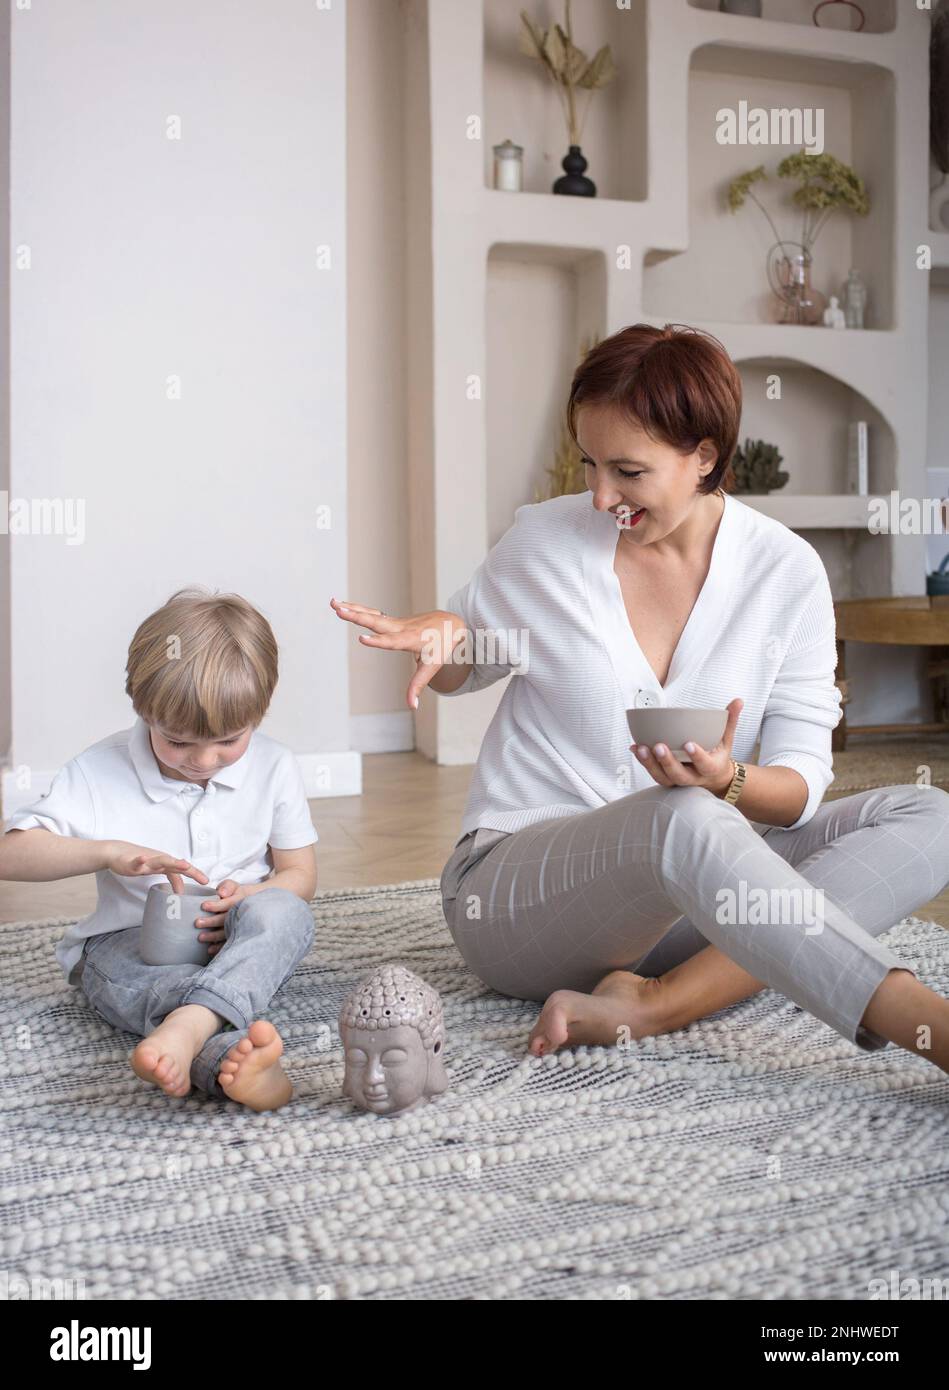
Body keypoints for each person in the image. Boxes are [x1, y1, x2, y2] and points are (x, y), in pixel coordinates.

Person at [332, 322, 949, 1076]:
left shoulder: (785, 573)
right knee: (679, 818)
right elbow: (470, 660)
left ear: (704, 459)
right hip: (519, 898)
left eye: (626, 471)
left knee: (929, 816)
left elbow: (796, 797)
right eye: (588, 463)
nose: (599, 497)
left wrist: (729, 782)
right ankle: (928, 1028)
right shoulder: (545, 543)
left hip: (690, 894)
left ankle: (661, 1000)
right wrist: (446, 637)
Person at [0, 587, 318, 1111]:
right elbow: (11, 855)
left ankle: (192, 1028)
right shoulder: (98, 772)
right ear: (143, 710)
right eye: (178, 742)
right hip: (130, 946)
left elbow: (299, 873)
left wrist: (253, 895)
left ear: (258, 715)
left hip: (232, 941)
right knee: (145, 983)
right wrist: (108, 852)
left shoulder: (275, 765)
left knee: (287, 913)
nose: (204, 760)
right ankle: (224, 1054)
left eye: (228, 741)